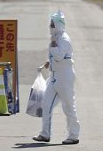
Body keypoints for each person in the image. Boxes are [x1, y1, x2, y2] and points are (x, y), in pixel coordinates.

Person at [32, 10, 80, 145]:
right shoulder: (56, 37)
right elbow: (55, 56)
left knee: (69, 106)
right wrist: (48, 62)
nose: (50, 26)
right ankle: (45, 134)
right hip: (54, 77)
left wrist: (53, 44)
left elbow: (59, 55)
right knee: (45, 104)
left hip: (65, 78)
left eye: (52, 24)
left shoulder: (64, 39)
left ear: (58, 25)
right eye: (50, 24)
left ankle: (74, 135)